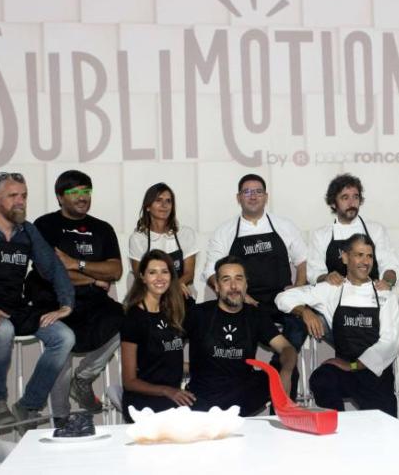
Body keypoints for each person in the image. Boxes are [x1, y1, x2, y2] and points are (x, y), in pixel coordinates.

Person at [24, 170, 124, 424]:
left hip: (92, 303)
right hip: (53, 300)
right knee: (62, 342)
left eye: (86, 191)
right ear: (60, 197)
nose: (82, 197)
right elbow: (49, 272)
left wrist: (75, 263)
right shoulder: (45, 225)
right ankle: (61, 418)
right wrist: (94, 278)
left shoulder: (102, 228)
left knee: (127, 320)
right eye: (75, 192)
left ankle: (83, 379)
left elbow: (115, 271)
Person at [276, 234, 399, 417]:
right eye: (359, 255)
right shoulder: (332, 290)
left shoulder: (384, 294)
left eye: (369, 256)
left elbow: (390, 343)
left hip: (376, 374)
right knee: (321, 379)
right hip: (345, 371)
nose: (365, 261)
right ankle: (337, 425)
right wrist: (305, 312)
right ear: (345, 257)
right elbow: (282, 298)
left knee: (385, 428)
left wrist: (353, 365)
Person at [0, 172, 75, 432]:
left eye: (24, 196)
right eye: (13, 196)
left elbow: (54, 267)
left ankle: (29, 404)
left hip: (15, 307)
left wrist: (66, 305)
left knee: (64, 337)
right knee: (3, 330)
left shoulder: (28, 231)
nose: (20, 201)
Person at [201, 174, 308, 354]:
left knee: (299, 325)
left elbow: (303, 260)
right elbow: (211, 272)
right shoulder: (224, 232)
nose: (253, 196)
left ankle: (279, 367)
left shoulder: (285, 226)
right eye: (247, 192)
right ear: (238, 198)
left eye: (258, 191)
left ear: (266, 197)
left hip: (282, 300)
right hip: (246, 302)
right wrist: (241, 296)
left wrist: (298, 290)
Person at [187, 256, 297, 414]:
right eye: (226, 280)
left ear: (246, 284)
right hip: (204, 397)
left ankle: (282, 421)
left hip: (243, 394)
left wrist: (286, 372)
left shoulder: (256, 315)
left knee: (286, 367)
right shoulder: (199, 314)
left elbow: (286, 348)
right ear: (217, 286)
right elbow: (166, 346)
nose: (233, 286)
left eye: (239, 279)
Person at [121, 250, 190, 423]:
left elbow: (166, 360)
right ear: (142, 277)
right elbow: (129, 381)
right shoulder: (133, 317)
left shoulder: (175, 311)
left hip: (173, 398)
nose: (160, 278)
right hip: (145, 402)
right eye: (152, 272)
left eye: (164, 272)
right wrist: (167, 391)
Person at [308, 173, 399, 291]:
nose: (351, 203)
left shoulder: (376, 230)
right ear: (333, 203)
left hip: (370, 295)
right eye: (345, 198)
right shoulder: (320, 235)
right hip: (334, 297)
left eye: (355, 197)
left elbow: (389, 266)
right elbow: (314, 273)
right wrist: (326, 278)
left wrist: (387, 282)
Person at [129, 183, 198, 302]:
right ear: (148, 206)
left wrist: (172, 289)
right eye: (158, 200)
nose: (164, 205)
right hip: (151, 297)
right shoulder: (138, 238)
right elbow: (139, 276)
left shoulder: (186, 234)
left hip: (178, 296)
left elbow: (189, 274)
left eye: (168, 201)